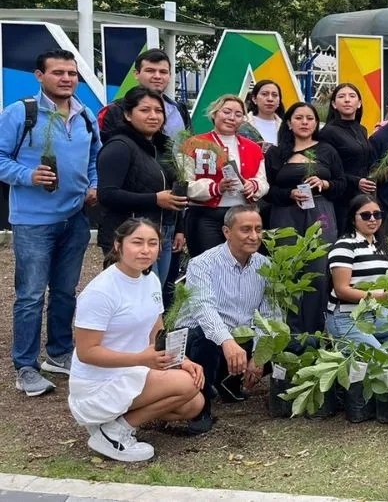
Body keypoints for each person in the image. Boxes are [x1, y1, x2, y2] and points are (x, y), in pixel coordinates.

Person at [0, 49, 100, 396]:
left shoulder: (85, 115)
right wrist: (28, 175)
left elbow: (93, 159)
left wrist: (94, 185)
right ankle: (25, 366)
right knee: (29, 296)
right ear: (39, 76)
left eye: (72, 73)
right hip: (33, 222)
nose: (67, 79)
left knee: (64, 292)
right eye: (58, 72)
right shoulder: (21, 113)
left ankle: (58, 354)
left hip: (74, 218)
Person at [68, 219, 205, 462]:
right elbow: (86, 353)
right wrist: (143, 358)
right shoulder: (101, 291)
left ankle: (115, 422)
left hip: (133, 370)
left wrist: (182, 360)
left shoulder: (150, 280)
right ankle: (112, 433)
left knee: (193, 404)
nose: (145, 250)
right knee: (186, 386)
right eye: (137, 242)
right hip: (97, 383)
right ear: (118, 245)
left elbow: (157, 330)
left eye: (152, 243)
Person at [175, 205, 275, 434]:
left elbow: (269, 315)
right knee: (205, 337)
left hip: (241, 337)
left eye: (258, 229)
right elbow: (203, 309)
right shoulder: (202, 263)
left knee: (288, 341)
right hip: (202, 336)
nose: (254, 236)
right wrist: (226, 341)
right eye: (246, 229)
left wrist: (259, 357)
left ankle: (228, 381)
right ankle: (199, 408)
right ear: (227, 232)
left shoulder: (265, 266)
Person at [263, 102, 344, 337]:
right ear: (289, 122)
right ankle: (289, 335)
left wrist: (325, 184)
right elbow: (267, 190)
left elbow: (342, 184)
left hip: (320, 213)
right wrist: (288, 194)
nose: (305, 122)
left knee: (318, 272)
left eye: (310, 118)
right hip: (285, 215)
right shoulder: (277, 153)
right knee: (288, 272)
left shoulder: (327, 150)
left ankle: (315, 333)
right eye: (299, 118)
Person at [96, 87, 186, 284]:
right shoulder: (119, 146)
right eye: (145, 110)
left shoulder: (163, 147)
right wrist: (155, 199)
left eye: (158, 110)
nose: (153, 116)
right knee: (133, 297)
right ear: (128, 114)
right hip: (131, 236)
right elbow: (107, 195)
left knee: (155, 294)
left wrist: (179, 228)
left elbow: (174, 189)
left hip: (164, 234)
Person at [182, 95, 268, 258]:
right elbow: (185, 183)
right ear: (214, 114)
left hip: (242, 214)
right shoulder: (194, 144)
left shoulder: (253, 148)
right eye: (227, 112)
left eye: (238, 114)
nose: (231, 118)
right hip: (205, 215)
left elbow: (263, 181)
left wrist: (254, 186)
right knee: (207, 264)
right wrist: (216, 187)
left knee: (242, 264)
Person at [326, 195, 388, 350]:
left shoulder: (384, 247)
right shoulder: (345, 246)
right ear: (353, 218)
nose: (372, 219)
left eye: (377, 215)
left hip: (375, 315)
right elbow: (341, 290)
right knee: (380, 363)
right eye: (365, 215)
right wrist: (379, 297)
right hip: (347, 318)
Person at [97, 48, 191, 142]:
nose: (157, 76)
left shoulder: (180, 109)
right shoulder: (115, 110)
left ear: (170, 75)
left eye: (163, 72)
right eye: (150, 71)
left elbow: (189, 146)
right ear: (136, 74)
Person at [320, 83, 375, 234]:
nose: (347, 100)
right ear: (334, 104)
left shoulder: (362, 129)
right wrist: (356, 182)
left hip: (364, 196)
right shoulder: (328, 132)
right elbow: (327, 170)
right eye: (341, 96)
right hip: (342, 198)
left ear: (359, 104)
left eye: (352, 96)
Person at [241, 79, 284, 146]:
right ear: (254, 99)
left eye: (274, 95)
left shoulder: (287, 127)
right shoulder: (241, 124)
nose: (270, 99)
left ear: (279, 101)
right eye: (264, 94)